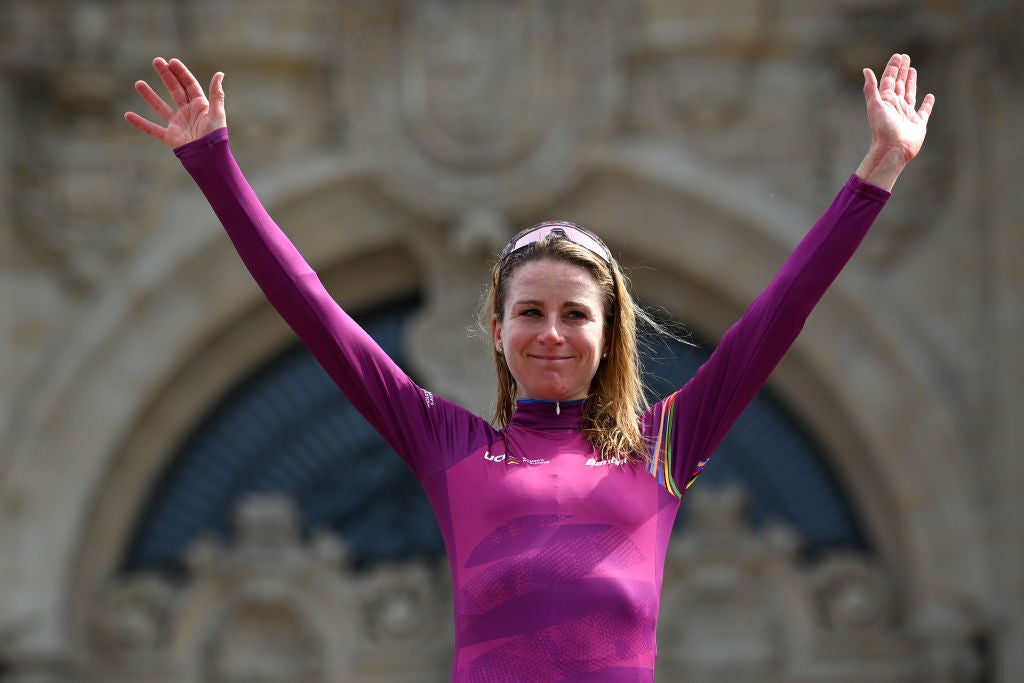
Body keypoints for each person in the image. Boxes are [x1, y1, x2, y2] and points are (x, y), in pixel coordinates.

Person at [126, 53, 933, 682]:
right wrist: (214, 165)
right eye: (531, 313)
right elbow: (313, 310)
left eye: (575, 313)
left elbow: (780, 312)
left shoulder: (663, 450)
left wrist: (879, 172)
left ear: (608, 332)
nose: (553, 333)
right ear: (501, 331)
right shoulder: (450, 446)